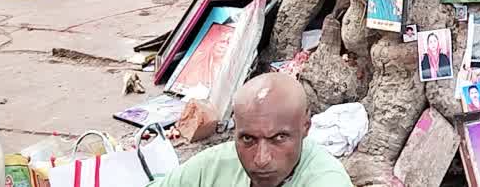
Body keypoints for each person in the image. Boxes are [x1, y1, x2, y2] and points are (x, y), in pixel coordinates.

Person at [149, 73, 353, 187]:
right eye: (248, 139)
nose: (261, 159)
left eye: (279, 138)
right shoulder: (215, 165)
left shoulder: (327, 180)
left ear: (305, 127)